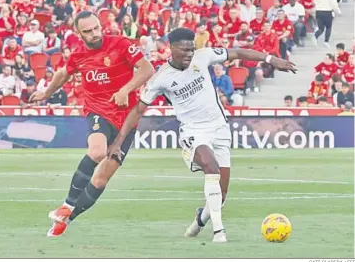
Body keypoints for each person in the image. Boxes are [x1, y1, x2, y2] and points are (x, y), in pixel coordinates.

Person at [107, 28, 296, 243]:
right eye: (185, 50)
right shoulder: (161, 78)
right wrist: (118, 142)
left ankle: (200, 220)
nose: (189, 54)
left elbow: (238, 53)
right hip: (193, 132)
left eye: (192, 49)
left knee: (221, 195)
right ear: (172, 49)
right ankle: (219, 232)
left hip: (219, 129)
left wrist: (271, 59)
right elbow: (138, 111)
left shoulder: (203, 56)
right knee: (210, 166)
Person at [29, 11, 155, 237]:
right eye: (87, 31)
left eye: (96, 28)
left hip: (126, 120)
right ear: (79, 34)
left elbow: (147, 69)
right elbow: (62, 75)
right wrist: (46, 92)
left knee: (100, 178)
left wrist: (126, 89)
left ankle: (67, 218)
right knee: (97, 152)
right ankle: (67, 204)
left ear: (101, 25)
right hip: (98, 111)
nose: (94, 33)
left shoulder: (121, 44)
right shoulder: (78, 56)